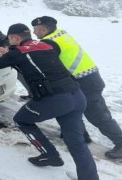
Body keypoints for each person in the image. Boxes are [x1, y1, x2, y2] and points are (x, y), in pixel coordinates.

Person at [0, 23, 99, 180]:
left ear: (15, 37)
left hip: (57, 100)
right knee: (77, 143)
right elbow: (32, 62)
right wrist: (7, 56)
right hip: (77, 96)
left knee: (22, 120)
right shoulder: (45, 45)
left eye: (10, 39)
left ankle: (49, 154)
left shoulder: (17, 52)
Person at [32, 16, 122, 159]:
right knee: (72, 108)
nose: (34, 32)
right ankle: (80, 134)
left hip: (85, 82)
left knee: (97, 115)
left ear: (43, 29)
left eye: (35, 29)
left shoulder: (49, 42)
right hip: (86, 78)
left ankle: (120, 142)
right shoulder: (61, 34)